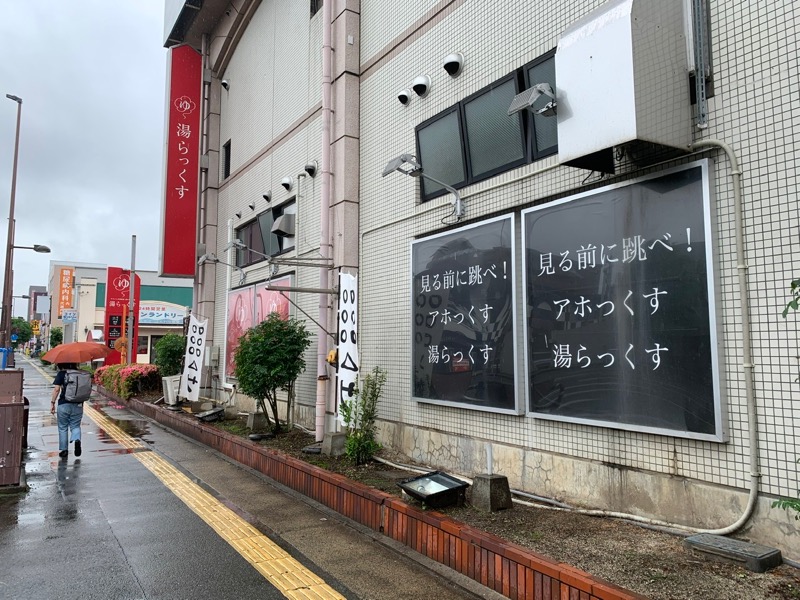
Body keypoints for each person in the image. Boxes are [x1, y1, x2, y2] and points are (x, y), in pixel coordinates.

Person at [51, 363, 83, 459]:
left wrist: (52, 403)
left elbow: (56, 389)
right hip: (78, 404)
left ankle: (64, 450)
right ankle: (77, 439)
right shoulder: (80, 373)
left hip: (64, 404)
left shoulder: (62, 374)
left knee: (63, 427)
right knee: (75, 425)